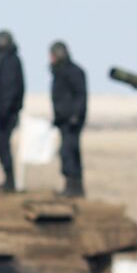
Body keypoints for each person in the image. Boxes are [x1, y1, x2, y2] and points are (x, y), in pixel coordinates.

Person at [0, 30, 24, 192]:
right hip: (2, 110)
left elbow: (10, 89)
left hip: (7, 113)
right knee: (1, 145)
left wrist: (5, 109)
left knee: (3, 145)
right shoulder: (3, 60)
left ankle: (10, 182)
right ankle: (8, 181)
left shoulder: (10, 61)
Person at [49, 41, 87, 197]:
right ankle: (71, 187)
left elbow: (80, 96)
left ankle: (74, 188)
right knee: (67, 152)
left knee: (69, 152)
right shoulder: (60, 72)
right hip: (63, 120)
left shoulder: (73, 72)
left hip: (72, 121)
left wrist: (75, 116)